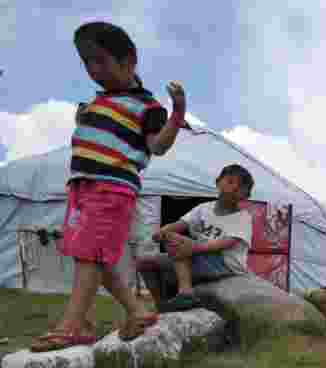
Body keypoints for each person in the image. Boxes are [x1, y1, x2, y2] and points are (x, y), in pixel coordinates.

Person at [31, 22, 188, 351]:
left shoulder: (147, 107)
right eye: (86, 62)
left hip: (112, 188)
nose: (93, 70)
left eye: (100, 60)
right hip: (81, 188)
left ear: (129, 61)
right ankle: (137, 311)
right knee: (89, 256)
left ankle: (73, 325)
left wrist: (176, 115)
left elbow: (158, 146)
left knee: (91, 254)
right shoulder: (98, 103)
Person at [138, 164, 254, 312]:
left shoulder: (243, 218)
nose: (234, 188)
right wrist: (163, 231)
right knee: (145, 262)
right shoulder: (203, 209)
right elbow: (181, 224)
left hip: (224, 264)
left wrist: (193, 247)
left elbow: (227, 243)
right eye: (230, 182)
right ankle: (162, 305)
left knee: (179, 244)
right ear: (218, 182)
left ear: (246, 195)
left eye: (241, 188)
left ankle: (185, 292)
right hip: (198, 256)